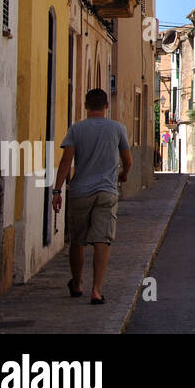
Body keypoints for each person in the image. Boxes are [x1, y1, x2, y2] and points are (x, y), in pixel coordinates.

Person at [52, 88, 132, 304]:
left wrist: (57, 190)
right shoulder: (117, 128)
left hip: (79, 193)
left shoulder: (76, 130)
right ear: (107, 106)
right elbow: (128, 159)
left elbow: (65, 162)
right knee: (102, 240)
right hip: (106, 192)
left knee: (77, 241)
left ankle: (77, 284)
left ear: (86, 106)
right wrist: (123, 174)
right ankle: (96, 290)